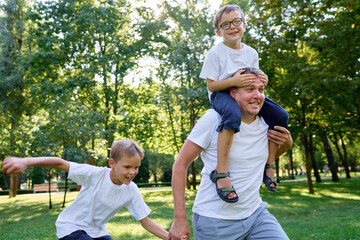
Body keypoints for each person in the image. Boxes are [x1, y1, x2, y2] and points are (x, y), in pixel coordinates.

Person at [168, 67, 293, 240]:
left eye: (261, 90)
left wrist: (285, 146)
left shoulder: (267, 124)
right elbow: (180, 164)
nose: (257, 95)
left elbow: (254, 163)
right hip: (215, 221)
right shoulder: (213, 119)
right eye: (250, 89)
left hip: (255, 215)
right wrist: (179, 219)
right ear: (233, 93)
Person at [200, 4, 288, 202]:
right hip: (222, 94)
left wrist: (261, 80)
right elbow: (211, 85)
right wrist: (234, 82)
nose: (232, 27)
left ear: (244, 25)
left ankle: (270, 164)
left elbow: (253, 78)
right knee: (232, 114)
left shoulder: (251, 53)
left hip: (245, 94)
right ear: (218, 31)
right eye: (225, 24)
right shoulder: (215, 53)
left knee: (281, 115)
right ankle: (221, 172)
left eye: (236, 21)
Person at [2, 139, 168, 240]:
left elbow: (145, 221)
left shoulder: (131, 190)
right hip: (71, 227)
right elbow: (60, 163)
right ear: (112, 163)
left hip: (97, 232)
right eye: (127, 167)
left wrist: (169, 237)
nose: (132, 172)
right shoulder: (95, 175)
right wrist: (26, 161)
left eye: (136, 167)